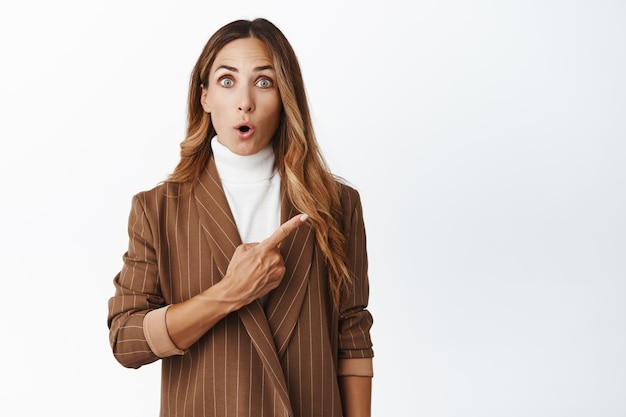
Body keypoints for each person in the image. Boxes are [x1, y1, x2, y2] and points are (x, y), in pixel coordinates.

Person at [107, 18, 374, 417]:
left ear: (286, 95)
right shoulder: (158, 209)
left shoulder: (337, 204)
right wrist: (229, 292)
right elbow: (126, 341)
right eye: (227, 81)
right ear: (205, 96)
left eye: (263, 82)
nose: (244, 101)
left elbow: (351, 334)